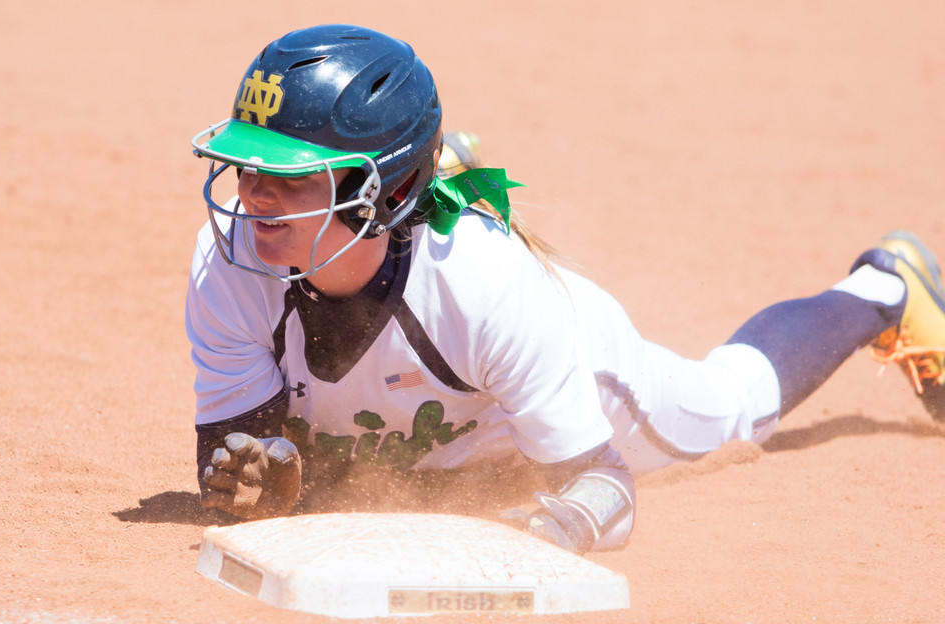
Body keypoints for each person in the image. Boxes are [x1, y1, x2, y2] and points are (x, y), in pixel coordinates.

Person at [185, 23, 945, 554]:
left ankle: (883, 287)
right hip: (447, 429)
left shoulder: (483, 287)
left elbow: (604, 491)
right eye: (248, 169)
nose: (252, 196)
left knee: (736, 404)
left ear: (381, 191)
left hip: (586, 376)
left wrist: (551, 532)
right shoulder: (230, 266)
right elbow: (235, 453)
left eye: (286, 176)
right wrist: (261, 478)